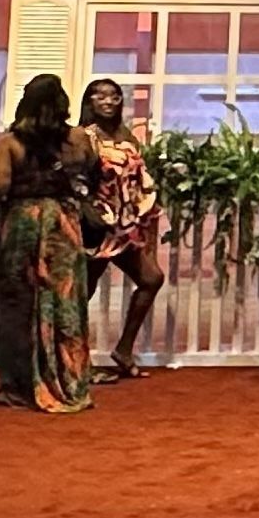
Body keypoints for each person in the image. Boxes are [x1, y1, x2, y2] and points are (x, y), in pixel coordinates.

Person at [0, 73, 96, 414]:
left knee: (19, 301)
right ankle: (68, 378)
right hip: (64, 225)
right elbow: (90, 172)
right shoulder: (78, 140)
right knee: (64, 302)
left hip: (24, 225)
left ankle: (19, 383)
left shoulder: (10, 144)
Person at [79, 77, 167, 380]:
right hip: (97, 224)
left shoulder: (126, 134)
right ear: (89, 101)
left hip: (125, 225)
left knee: (152, 277)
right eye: (99, 96)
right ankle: (77, 359)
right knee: (82, 292)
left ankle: (124, 348)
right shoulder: (83, 136)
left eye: (114, 96)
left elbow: (137, 177)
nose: (107, 102)